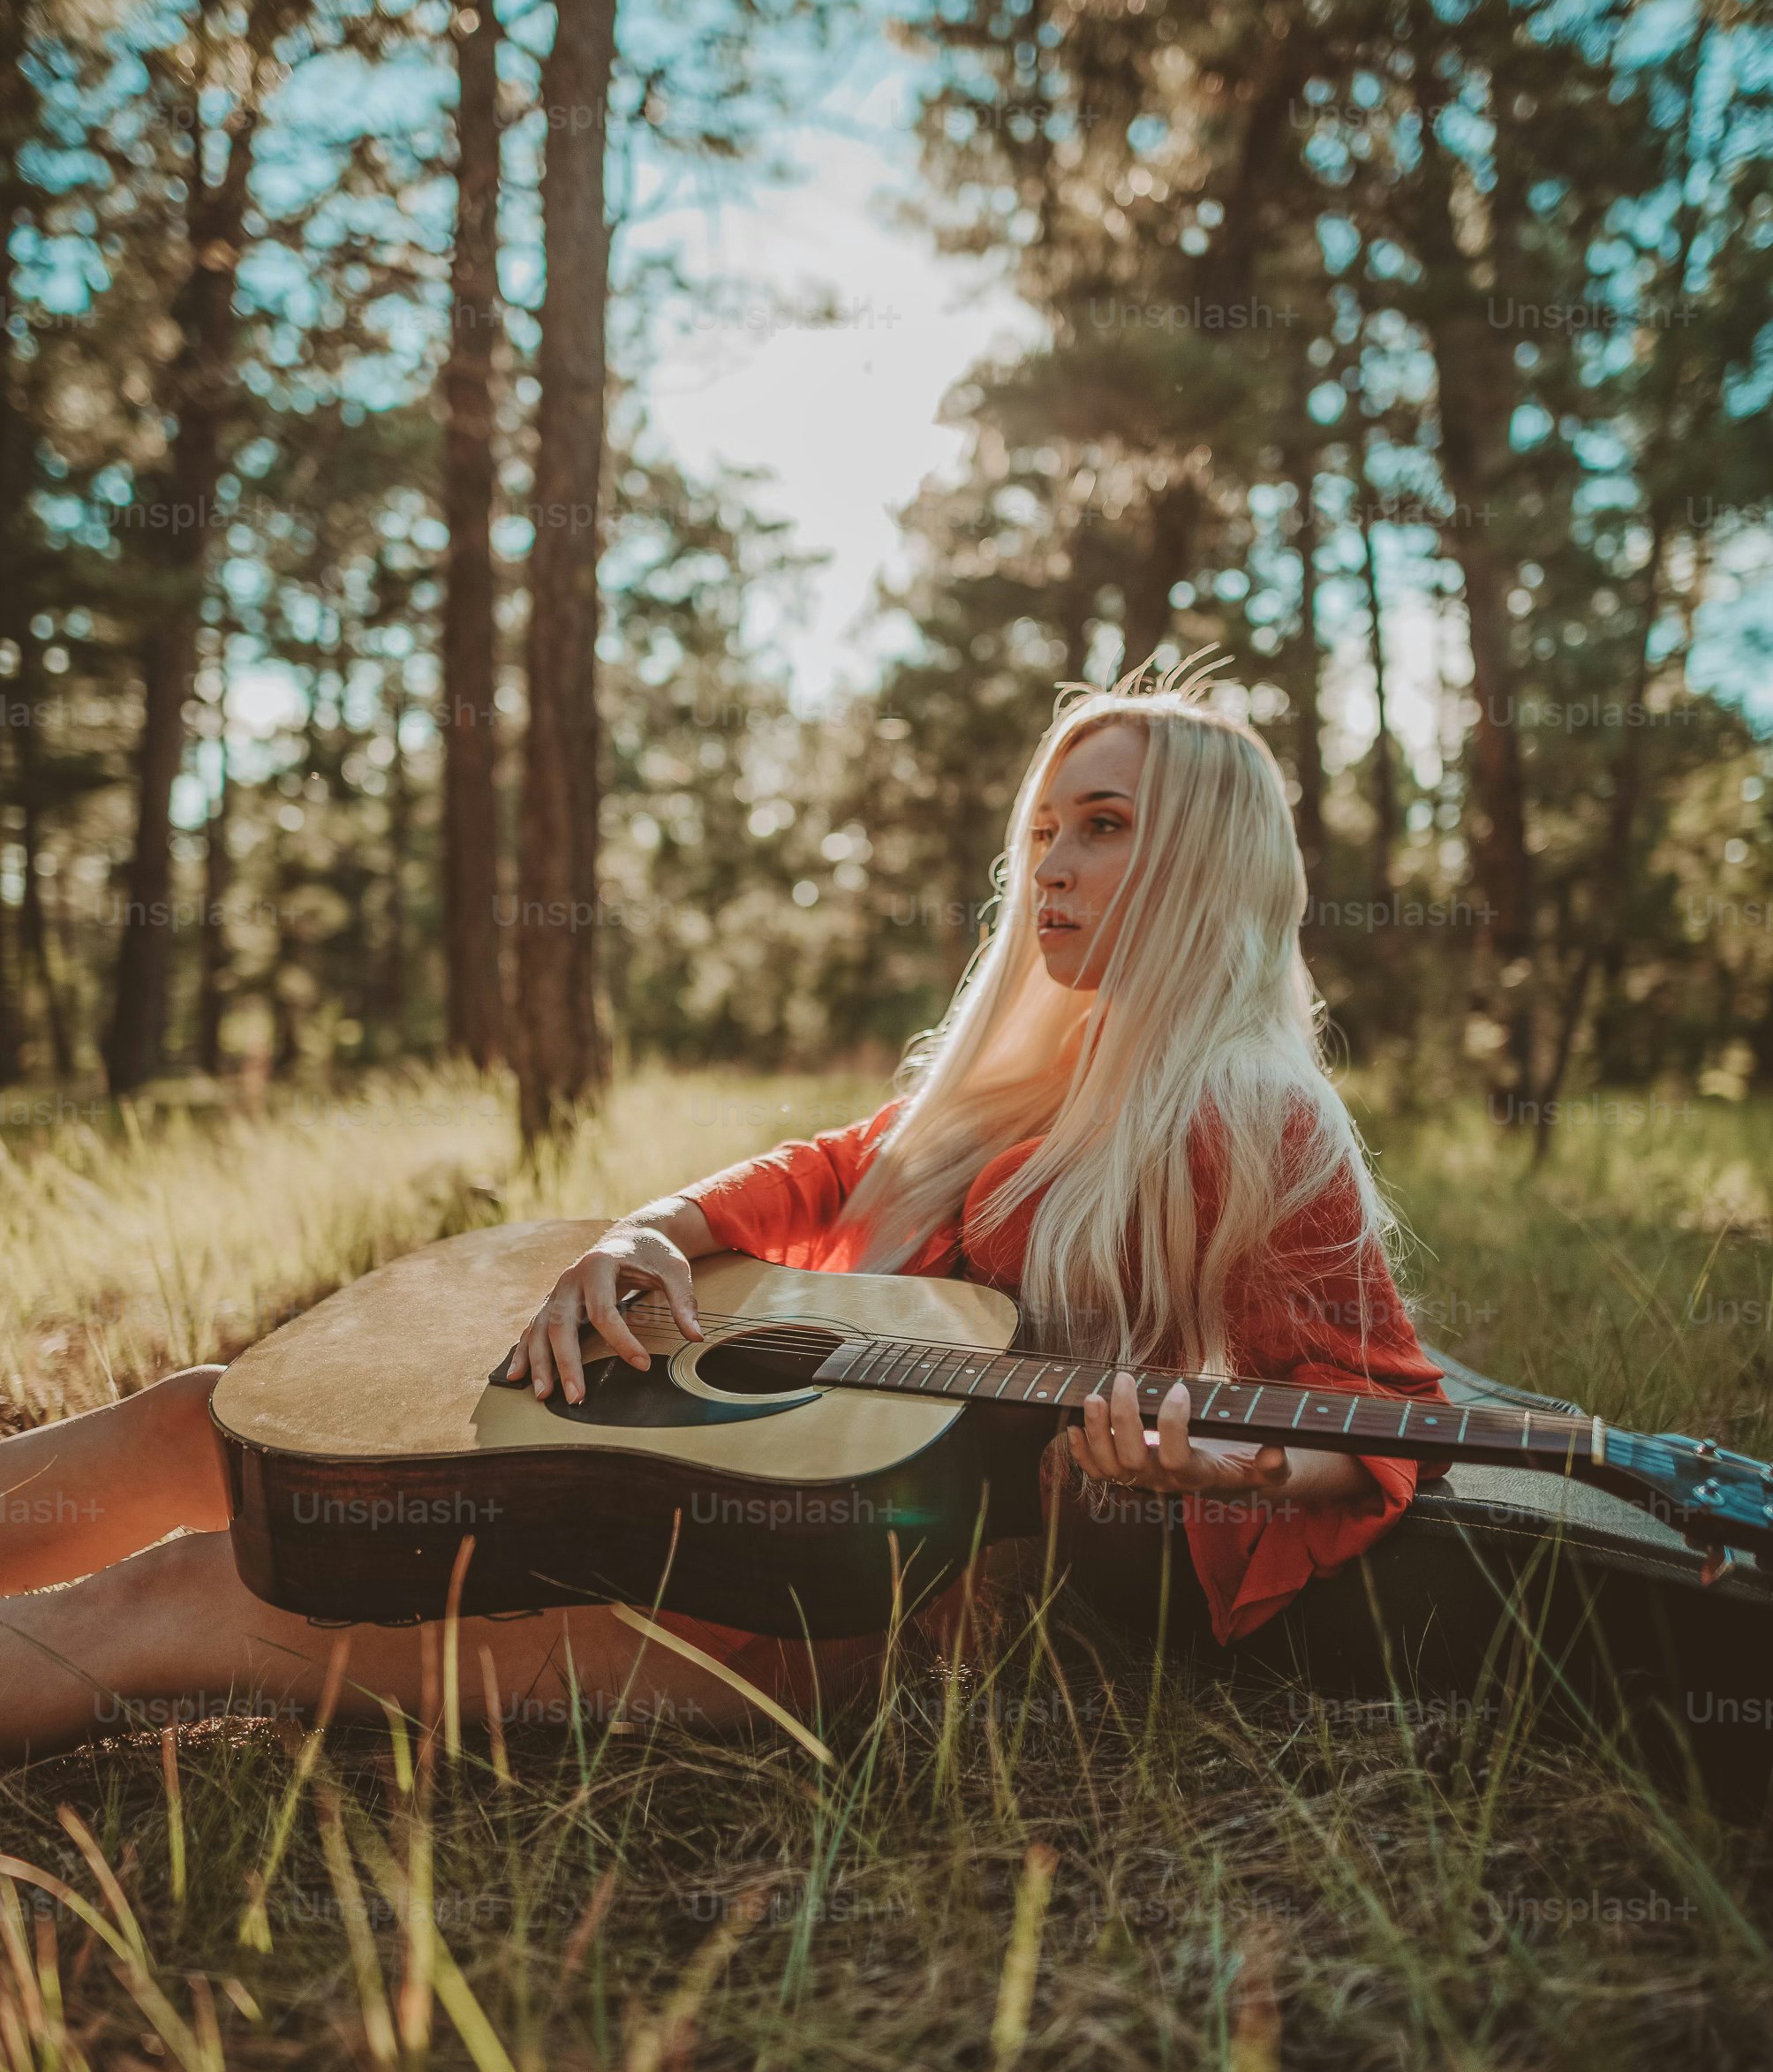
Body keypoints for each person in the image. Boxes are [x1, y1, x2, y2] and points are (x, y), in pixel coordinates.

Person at [0, 669, 1446, 1764]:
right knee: (205, 1418)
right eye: (1046, 831)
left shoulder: (1253, 1121)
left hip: (807, 1602)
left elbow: (1373, 1409)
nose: (1049, 869)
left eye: (1106, 828)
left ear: (1209, 862)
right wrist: (650, 1232)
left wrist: (1246, 1465)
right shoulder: (1039, 1087)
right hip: (693, 1486)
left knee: (194, 1594)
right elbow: (821, 1174)